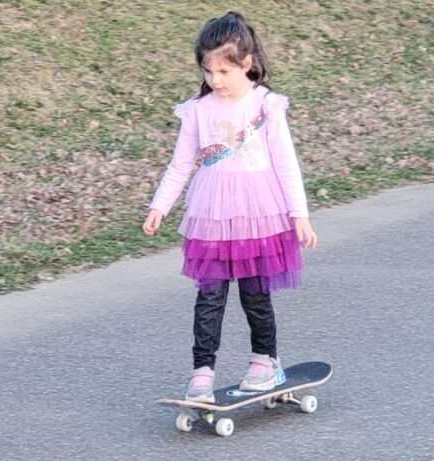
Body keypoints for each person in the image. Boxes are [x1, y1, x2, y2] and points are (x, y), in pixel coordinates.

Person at [142, 11, 318, 403]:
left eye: (224, 71)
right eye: (208, 71)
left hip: (260, 212)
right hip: (212, 215)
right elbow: (182, 162)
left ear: (247, 64)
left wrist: (299, 214)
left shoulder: (265, 105)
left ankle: (265, 362)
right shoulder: (197, 110)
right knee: (210, 296)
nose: (215, 80)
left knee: (256, 292)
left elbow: (285, 161)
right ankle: (202, 373)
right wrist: (160, 206)